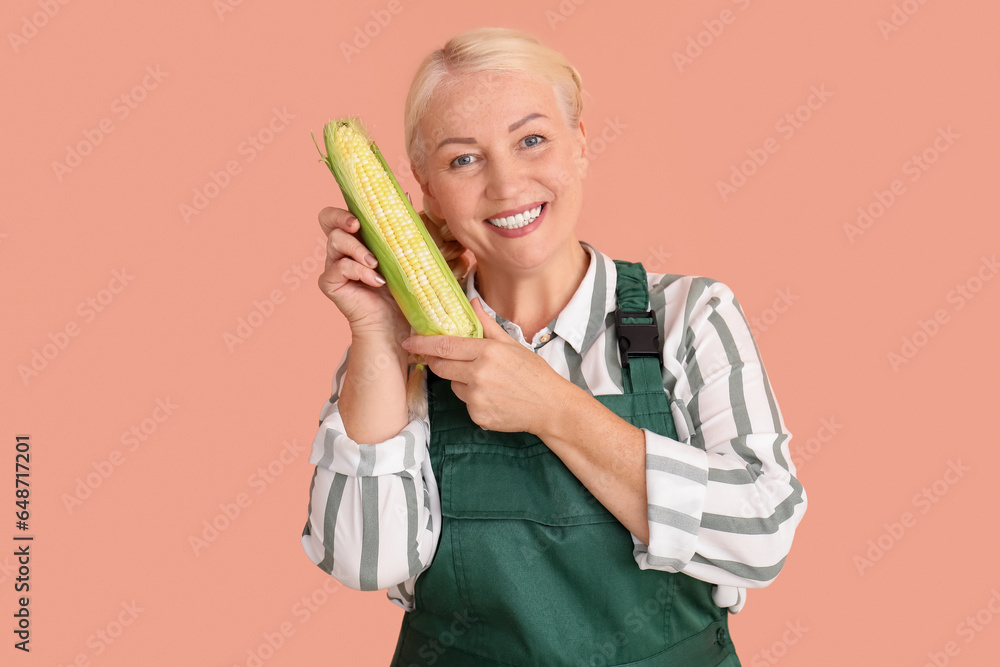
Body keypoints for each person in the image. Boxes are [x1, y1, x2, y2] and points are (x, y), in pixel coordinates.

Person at [300, 27, 806, 667]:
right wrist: (376, 334)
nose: (507, 184)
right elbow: (367, 561)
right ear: (425, 186)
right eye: (463, 159)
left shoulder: (688, 316)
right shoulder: (406, 348)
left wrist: (552, 407)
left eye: (531, 140)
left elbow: (761, 537)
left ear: (581, 145)